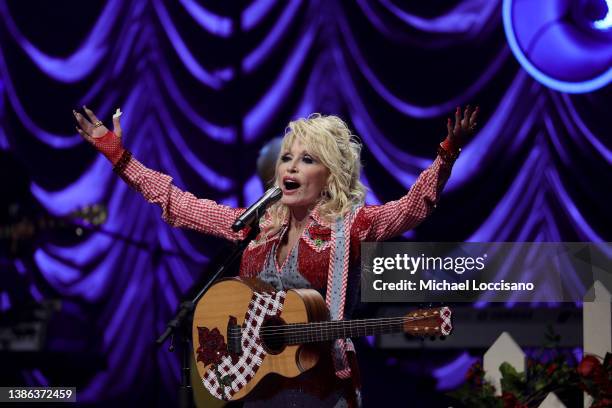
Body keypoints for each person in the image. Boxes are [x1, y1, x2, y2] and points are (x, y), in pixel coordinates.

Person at [73, 106, 478, 407]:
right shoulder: (257, 226)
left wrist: (447, 154)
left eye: (307, 159)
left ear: (331, 175)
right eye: (287, 157)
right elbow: (178, 204)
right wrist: (119, 158)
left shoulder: (352, 226)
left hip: (324, 388)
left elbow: (412, 208)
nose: (291, 166)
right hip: (259, 387)